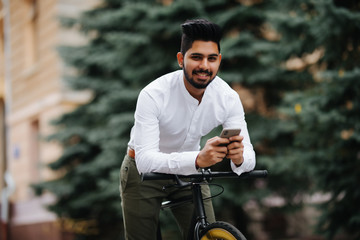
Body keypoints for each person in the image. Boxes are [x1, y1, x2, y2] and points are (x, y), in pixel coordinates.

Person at [120, 19, 256, 240]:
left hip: (191, 169)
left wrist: (239, 159)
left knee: (208, 236)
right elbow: (145, 161)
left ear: (219, 61)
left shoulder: (228, 98)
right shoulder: (153, 94)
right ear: (181, 59)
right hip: (141, 172)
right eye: (196, 57)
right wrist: (197, 160)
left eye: (211, 58)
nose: (204, 65)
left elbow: (249, 156)